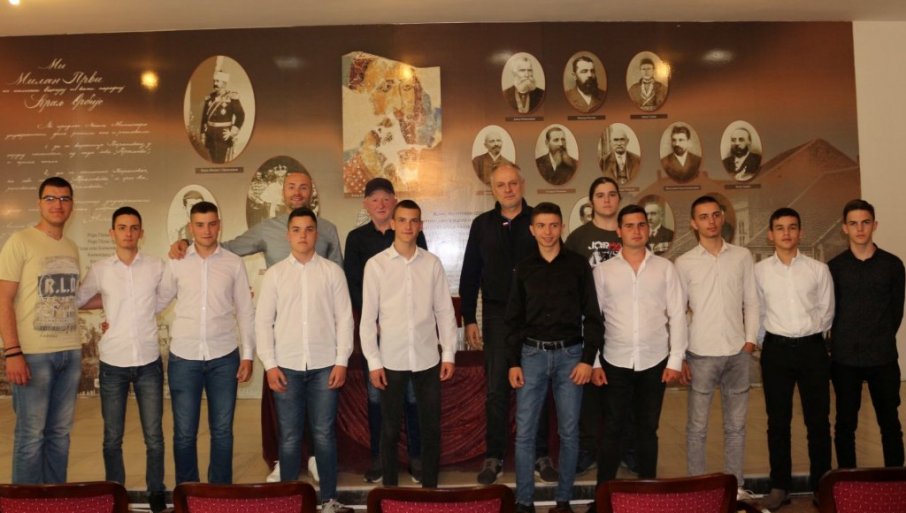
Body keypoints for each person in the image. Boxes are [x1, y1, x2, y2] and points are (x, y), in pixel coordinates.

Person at [169, 167, 341, 481]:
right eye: (291, 186)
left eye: (304, 187)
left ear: (312, 191)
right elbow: (224, 247)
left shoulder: (328, 230)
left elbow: (338, 283)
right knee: (286, 412)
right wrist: (185, 242)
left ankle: (316, 458)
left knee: (321, 417)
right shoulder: (266, 228)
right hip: (283, 334)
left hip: (319, 337)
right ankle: (285, 461)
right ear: (283, 192)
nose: (297, 192)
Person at [460, 163, 558, 486]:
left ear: (522, 184)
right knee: (496, 390)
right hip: (497, 315)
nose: (508, 189)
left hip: (536, 316)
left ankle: (541, 454)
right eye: (501, 184)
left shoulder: (539, 221)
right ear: (492, 189)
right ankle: (494, 456)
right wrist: (469, 319)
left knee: (537, 386)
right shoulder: (481, 225)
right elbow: (470, 274)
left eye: (513, 183)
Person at [588, 204, 686, 513]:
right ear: (619, 231)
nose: (636, 230)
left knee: (647, 431)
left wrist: (675, 360)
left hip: (654, 362)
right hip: (613, 361)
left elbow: (678, 315)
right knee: (612, 430)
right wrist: (594, 362)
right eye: (629, 225)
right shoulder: (603, 271)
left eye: (641, 224)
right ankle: (602, 500)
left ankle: (648, 497)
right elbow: (593, 320)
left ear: (649, 229)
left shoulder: (665, 269)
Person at [255, 207, 354, 513]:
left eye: (309, 229)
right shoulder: (275, 275)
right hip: (286, 367)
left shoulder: (332, 272)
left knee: (324, 434)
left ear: (316, 234)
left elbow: (345, 319)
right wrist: (270, 364)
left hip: (325, 366)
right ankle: (288, 501)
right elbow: (263, 322)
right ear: (288, 235)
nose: (303, 235)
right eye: (296, 230)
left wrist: (341, 360)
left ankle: (329, 500)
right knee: (288, 437)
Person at [507, 202, 603, 513]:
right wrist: (513, 362)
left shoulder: (578, 266)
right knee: (524, 433)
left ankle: (563, 501)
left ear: (561, 227)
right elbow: (513, 320)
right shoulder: (523, 268)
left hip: (571, 358)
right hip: (531, 356)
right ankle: (524, 502)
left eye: (553, 225)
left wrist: (587, 359)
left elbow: (593, 317)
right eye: (541, 226)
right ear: (532, 230)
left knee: (569, 432)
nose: (548, 232)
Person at [360, 199, 458, 488]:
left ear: (421, 225)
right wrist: (373, 362)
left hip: (428, 359)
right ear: (392, 224)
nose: (408, 226)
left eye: (414, 220)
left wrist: (449, 354)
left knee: (430, 429)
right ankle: (390, 491)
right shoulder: (376, 265)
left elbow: (444, 312)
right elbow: (367, 319)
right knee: (389, 430)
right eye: (402, 220)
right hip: (390, 360)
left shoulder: (432, 263)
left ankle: (430, 489)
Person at [75, 207, 167, 512]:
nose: (128, 233)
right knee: (112, 437)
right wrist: (107, 305)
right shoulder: (101, 269)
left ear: (142, 233)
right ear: (112, 233)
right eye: (122, 227)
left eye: (134, 227)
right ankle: (115, 493)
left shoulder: (156, 266)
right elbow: (79, 299)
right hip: (113, 363)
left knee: (154, 436)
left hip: (148, 362)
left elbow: (165, 296)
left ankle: (156, 492)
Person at [158, 201, 255, 484]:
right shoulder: (177, 262)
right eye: (200, 225)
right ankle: (187, 492)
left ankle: (220, 493)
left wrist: (248, 355)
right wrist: (117, 317)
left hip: (224, 358)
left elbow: (245, 311)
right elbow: (157, 302)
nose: (207, 230)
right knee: (184, 433)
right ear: (191, 228)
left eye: (212, 224)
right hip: (184, 358)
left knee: (222, 431)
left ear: (219, 225)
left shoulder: (233, 263)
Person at [674, 195, 759, 502]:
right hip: (700, 354)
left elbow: (752, 300)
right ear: (693, 223)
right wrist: (680, 355)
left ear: (722, 217)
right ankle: (697, 489)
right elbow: (678, 312)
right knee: (697, 428)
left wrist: (750, 340)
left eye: (715, 215)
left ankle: (736, 487)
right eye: (703, 216)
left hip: (738, 353)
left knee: (736, 427)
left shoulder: (742, 256)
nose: (710, 221)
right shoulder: (683, 263)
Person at [343, 177, 426, 484]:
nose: (380, 204)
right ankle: (380, 457)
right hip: (374, 333)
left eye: (386, 198)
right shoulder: (356, 238)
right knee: (377, 397)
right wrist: (373, 317)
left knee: (413, 397)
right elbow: (352, 282)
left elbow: (421, 278)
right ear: (366, 205)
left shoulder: (411, 233)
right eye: (374, 199)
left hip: (409, 335)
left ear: (394, 202)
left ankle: (417, 457)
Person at [0, 176, 81, 484]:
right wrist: (12, 352)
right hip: (34, 355)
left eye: (64, 198)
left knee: (60, 434)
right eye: (50, 198)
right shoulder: (20, 241)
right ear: (39, 203)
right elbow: (3, 299)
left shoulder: (71, 247)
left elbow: (70, 297)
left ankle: (55, 499)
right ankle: (25, 503)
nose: (57, 204)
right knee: (31, 436)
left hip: (70, 353)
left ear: (72, 205)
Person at [754, 207, 834, 511]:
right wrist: (767, 343)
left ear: (800, 232)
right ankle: (780, 486)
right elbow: (758, 311)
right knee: (778, 422)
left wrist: (808, 336)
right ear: (770, 234)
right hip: (776, 351)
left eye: (792, 227)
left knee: (818, 421)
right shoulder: (760, 271)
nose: (786, 233)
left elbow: (827, 311)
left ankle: (822, 486)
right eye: (780, 228)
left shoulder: (818, 269)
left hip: (812, 350)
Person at [828, 199, 905, 469]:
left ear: (875, 225)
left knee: (890, 422)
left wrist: (878, 338)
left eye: (865, 222)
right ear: (844, 228)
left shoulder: (893, 265)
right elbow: (830, 311)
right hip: (844, 359)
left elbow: (896, 312)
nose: (860, 229)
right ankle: (847, 479)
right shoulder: (834, 268)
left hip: (882, 357)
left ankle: (895, 481)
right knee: (845, 424)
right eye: (853, 223)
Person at [565, 178, 623, 474]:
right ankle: (587, 448)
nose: (607, 200)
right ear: (591, 203)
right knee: (588, 392)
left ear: (619, 199)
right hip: (588, 322)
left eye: (612, 194)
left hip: (624, 323)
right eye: (600, 195)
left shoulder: (630, 231)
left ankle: (625, 449)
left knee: (622, 391)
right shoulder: (578, 238)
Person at [200, 69, 245, 164]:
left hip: (223, 136)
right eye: (214, 81)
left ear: (224, 83)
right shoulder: (209, 97)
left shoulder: (232, 98)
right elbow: (204, 118)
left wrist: (232, 132)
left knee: (220, 162)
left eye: (217, 81)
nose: (215, 84)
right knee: (212, 161)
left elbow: (241, 115)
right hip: (210, 135)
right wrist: (203, 133)